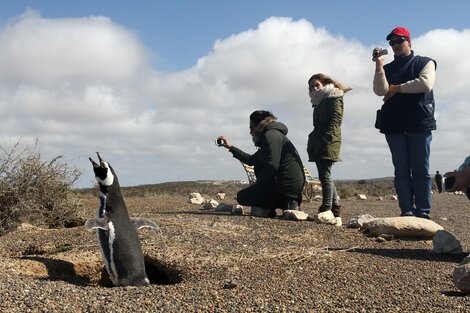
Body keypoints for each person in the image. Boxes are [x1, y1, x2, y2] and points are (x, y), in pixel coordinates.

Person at [373, 26, 437, 219]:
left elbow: (425, 83)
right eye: (392, 42)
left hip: (419, 122)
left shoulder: (425, 62)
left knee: (420, 170)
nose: (395, 45)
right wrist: (378, 65)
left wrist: (397, 89)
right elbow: (380, 90)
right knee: (401, 170)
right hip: (394, 124)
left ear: (409, 42)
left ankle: (423, 212)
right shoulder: (388, 68)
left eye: (399, 41)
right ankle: (407, 211)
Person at [217, 110, 305, 217]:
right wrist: (230, 147)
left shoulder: (270, 135)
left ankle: (285, 203)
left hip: (285, 188)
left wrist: (258, 183)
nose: (250, 132)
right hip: (288, 188)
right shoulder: (273, 135)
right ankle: (284, 203)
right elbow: (251, 160)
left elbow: (272, 166)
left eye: (251, 128)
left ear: (259, 125)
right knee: (258, 167)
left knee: (242, 196)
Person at [307, 73, 351, 219]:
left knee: (325, 175)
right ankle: (335, 205)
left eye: (316, 85)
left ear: (324, 85)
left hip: (328, 140)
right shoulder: (319, 101)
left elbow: (336, 118)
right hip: (319, 140)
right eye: (311, 86)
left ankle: (327, 207)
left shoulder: (333, 96)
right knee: (325, 175)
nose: (314, 88)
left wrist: (327, 138)